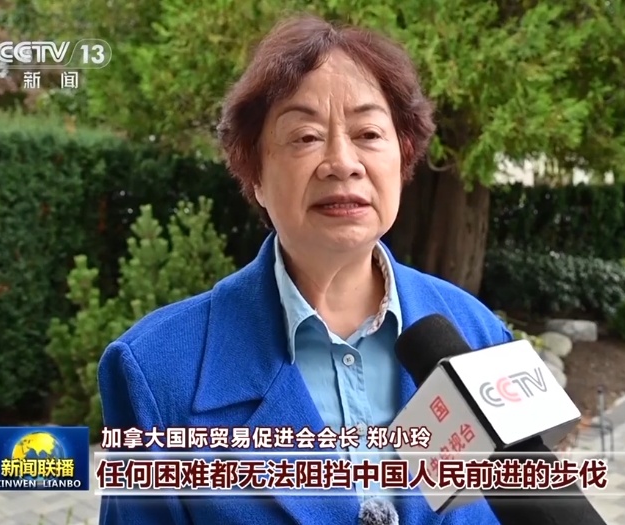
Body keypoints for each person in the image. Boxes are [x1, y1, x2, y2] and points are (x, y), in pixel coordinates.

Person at [97, 14, 514, 525]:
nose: (343, 162)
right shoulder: (156, 370)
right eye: (305, 136)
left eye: (368, 133)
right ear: (255, 174)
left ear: (403, 159)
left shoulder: (478, 334)